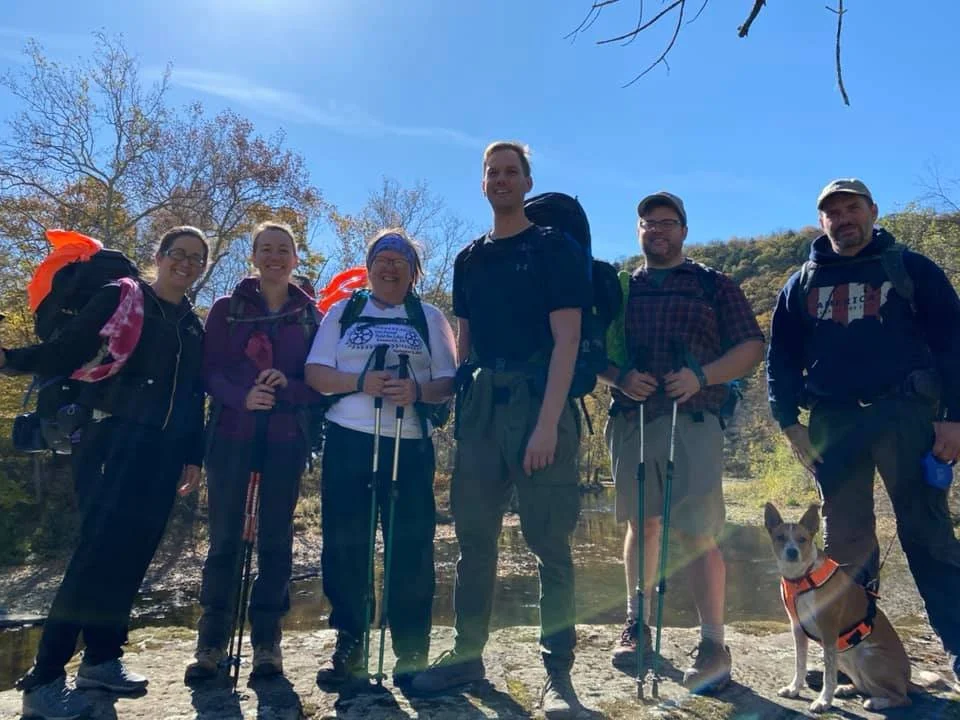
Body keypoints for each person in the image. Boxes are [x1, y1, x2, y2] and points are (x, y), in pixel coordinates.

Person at [409, 141, 590, 718]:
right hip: (482, 409)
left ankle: (558, 674)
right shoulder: (468, 258)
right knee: (474, 539)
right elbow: (465, 345)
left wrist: (546, 428)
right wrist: (451, 403)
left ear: (527, 180)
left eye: (512, 172)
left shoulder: (553, 248)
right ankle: (467, 655)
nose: (502, 180)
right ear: (482, 184)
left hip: (541, 404)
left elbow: (567, 341)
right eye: (493, 173)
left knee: (549, 543)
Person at [2, 226, 208, 720]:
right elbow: (67, 350)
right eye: (177, 253)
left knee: (133, 555)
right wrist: (10, 360)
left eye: (195, 258)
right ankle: (45, 678)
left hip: (162, 454)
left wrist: (194, 457)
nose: (185, 263)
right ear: (158, 256)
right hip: (109, 443)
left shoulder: (192, 325)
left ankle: (101, 659)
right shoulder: (123, 296)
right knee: (95, 557)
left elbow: (193, 398)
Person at [767, 178, 960, 687]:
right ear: (821, 222)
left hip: (906, 414)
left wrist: (955, 416)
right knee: (847, 548)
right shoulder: (801, 283)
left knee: (930, 537)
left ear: (873, 211)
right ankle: (855, 652)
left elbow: (953, 343)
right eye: (833, 212)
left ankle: (959, 652)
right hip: (833, 421)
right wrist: (789, 422)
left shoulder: (911, 268)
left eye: (853, 208)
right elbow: (780, 360)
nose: (844, 218)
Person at [600, 191, 764, 694]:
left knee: (697, 532)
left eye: (667, 223)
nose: (658, 231)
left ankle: (713, 642)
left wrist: (703, 376)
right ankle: (637, 627)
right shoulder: (622, 289)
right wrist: (620, 378)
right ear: (638, 230)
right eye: (648, 223)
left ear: (684, 231)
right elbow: (592, 354)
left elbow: (753, 347)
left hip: (694, 420)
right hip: (634, 421)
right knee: (641, 523)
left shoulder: (715, 285)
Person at [305, 228, 457, 690]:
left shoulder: (429, 316)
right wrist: (359, 383)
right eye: (381, 259)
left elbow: (449, 381)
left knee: (410, 547)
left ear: (414, 271)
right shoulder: (343, 310)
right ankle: (350, 642)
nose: (389, 266)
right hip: (349, 438)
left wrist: (415, 391)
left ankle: (411, 651)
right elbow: (314, 373)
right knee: (346, 544)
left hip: (408, 442)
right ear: (368, 268)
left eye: (400, 260)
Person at [184, 221, 322, 682]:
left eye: (284, 250)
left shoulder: (310, 315)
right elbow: (209, 372)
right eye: (266, 249)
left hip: (285, 440)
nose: (275, 257)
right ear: (254, 256)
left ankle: (267, 643)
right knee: (225, 537)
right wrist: (242, 395)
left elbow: (318, 384)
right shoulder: (227, 308)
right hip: (231, 437)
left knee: (276, 541)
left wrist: (290, 387)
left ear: (296, 259)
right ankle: (210, 643)